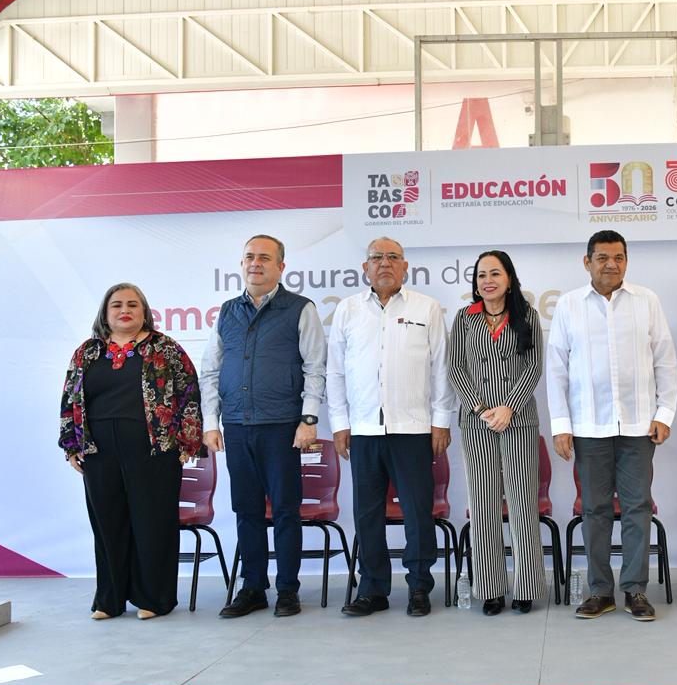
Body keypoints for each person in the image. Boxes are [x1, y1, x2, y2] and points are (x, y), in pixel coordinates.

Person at [547, 229, 677, 621]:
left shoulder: (646, 301)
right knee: (596, 510)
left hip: (639, 426)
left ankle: (636, 590)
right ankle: (600, 591)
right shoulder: (570, 305)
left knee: (637, 508)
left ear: (626, 261)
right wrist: (561, 425)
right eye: (602, 257)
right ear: (587, 262)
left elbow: (665, 361)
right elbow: (556, 371)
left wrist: (664, 413)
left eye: (618, 257)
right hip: (589, 427)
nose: (611, 264)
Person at [60, 283, 204, 620]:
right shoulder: (87, 352)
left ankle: (154, 598)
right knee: (108, 525)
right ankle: (109, 600)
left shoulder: (166, 349)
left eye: (132, 305)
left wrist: (188, 441)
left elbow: (188, 394)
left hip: (155, 451)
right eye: (117, 305)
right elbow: (70, 400)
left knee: (152, 524)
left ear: (144, 312)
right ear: (105, 313)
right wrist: (71, 444)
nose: (125, 310)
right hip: (98, 452)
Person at [201, 235, 326, 619]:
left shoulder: (300, 309)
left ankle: (288, 589)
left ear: (280, 267)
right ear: (242, 264)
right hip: (238, 425)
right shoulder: (226, 312)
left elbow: (315, 368)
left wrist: (308, 420)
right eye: (249, 257)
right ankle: (253, 587)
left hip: (282, 427)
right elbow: (210, 369)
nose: (256, 263)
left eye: (265, 258)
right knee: (247, 511)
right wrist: (210, 422)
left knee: (286, 510)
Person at [329, 236, 453, 618]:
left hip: (413, 429)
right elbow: (335, 371)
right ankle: (373, 589)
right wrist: (339, 423)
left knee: (418, 511)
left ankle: (419, 587)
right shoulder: (347, 311)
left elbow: (441, 369)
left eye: (392, 257)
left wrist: (441, 422)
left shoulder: (427, 308)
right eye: (376, 257)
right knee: (367, 514)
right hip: (363, 430)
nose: (384, 263)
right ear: (365, 267)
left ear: (405, 267)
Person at [447, 250, 547, 615]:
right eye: (480, 275)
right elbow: (456, 367)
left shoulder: (527, 315)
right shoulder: (464, 318)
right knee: (484, 504)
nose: (487, 280)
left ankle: (527, 587)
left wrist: (509, 407)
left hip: (518, 420)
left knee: (522, 504)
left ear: (509, 279)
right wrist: (480, 407)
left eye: (495, 273)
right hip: (477, 422)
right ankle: (489, 587)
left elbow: (534, 366)